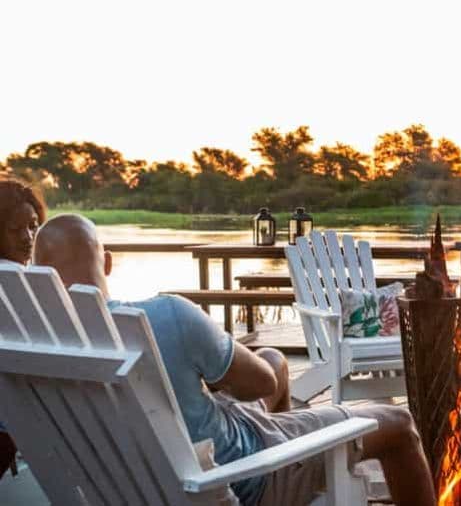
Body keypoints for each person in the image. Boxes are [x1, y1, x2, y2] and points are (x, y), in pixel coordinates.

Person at [32, 214, 435, 506]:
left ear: (38, 273)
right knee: (398, 424)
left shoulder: (32, 349)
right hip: (238, 479)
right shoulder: (167, 316)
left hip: (124, 489)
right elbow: (261, 384)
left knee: (273, 360)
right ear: (106, 262)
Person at [0, 177, 47, 480]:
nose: (28, 237)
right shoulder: (22, 286)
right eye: (15, 229)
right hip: (11, 425)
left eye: (33, 226)